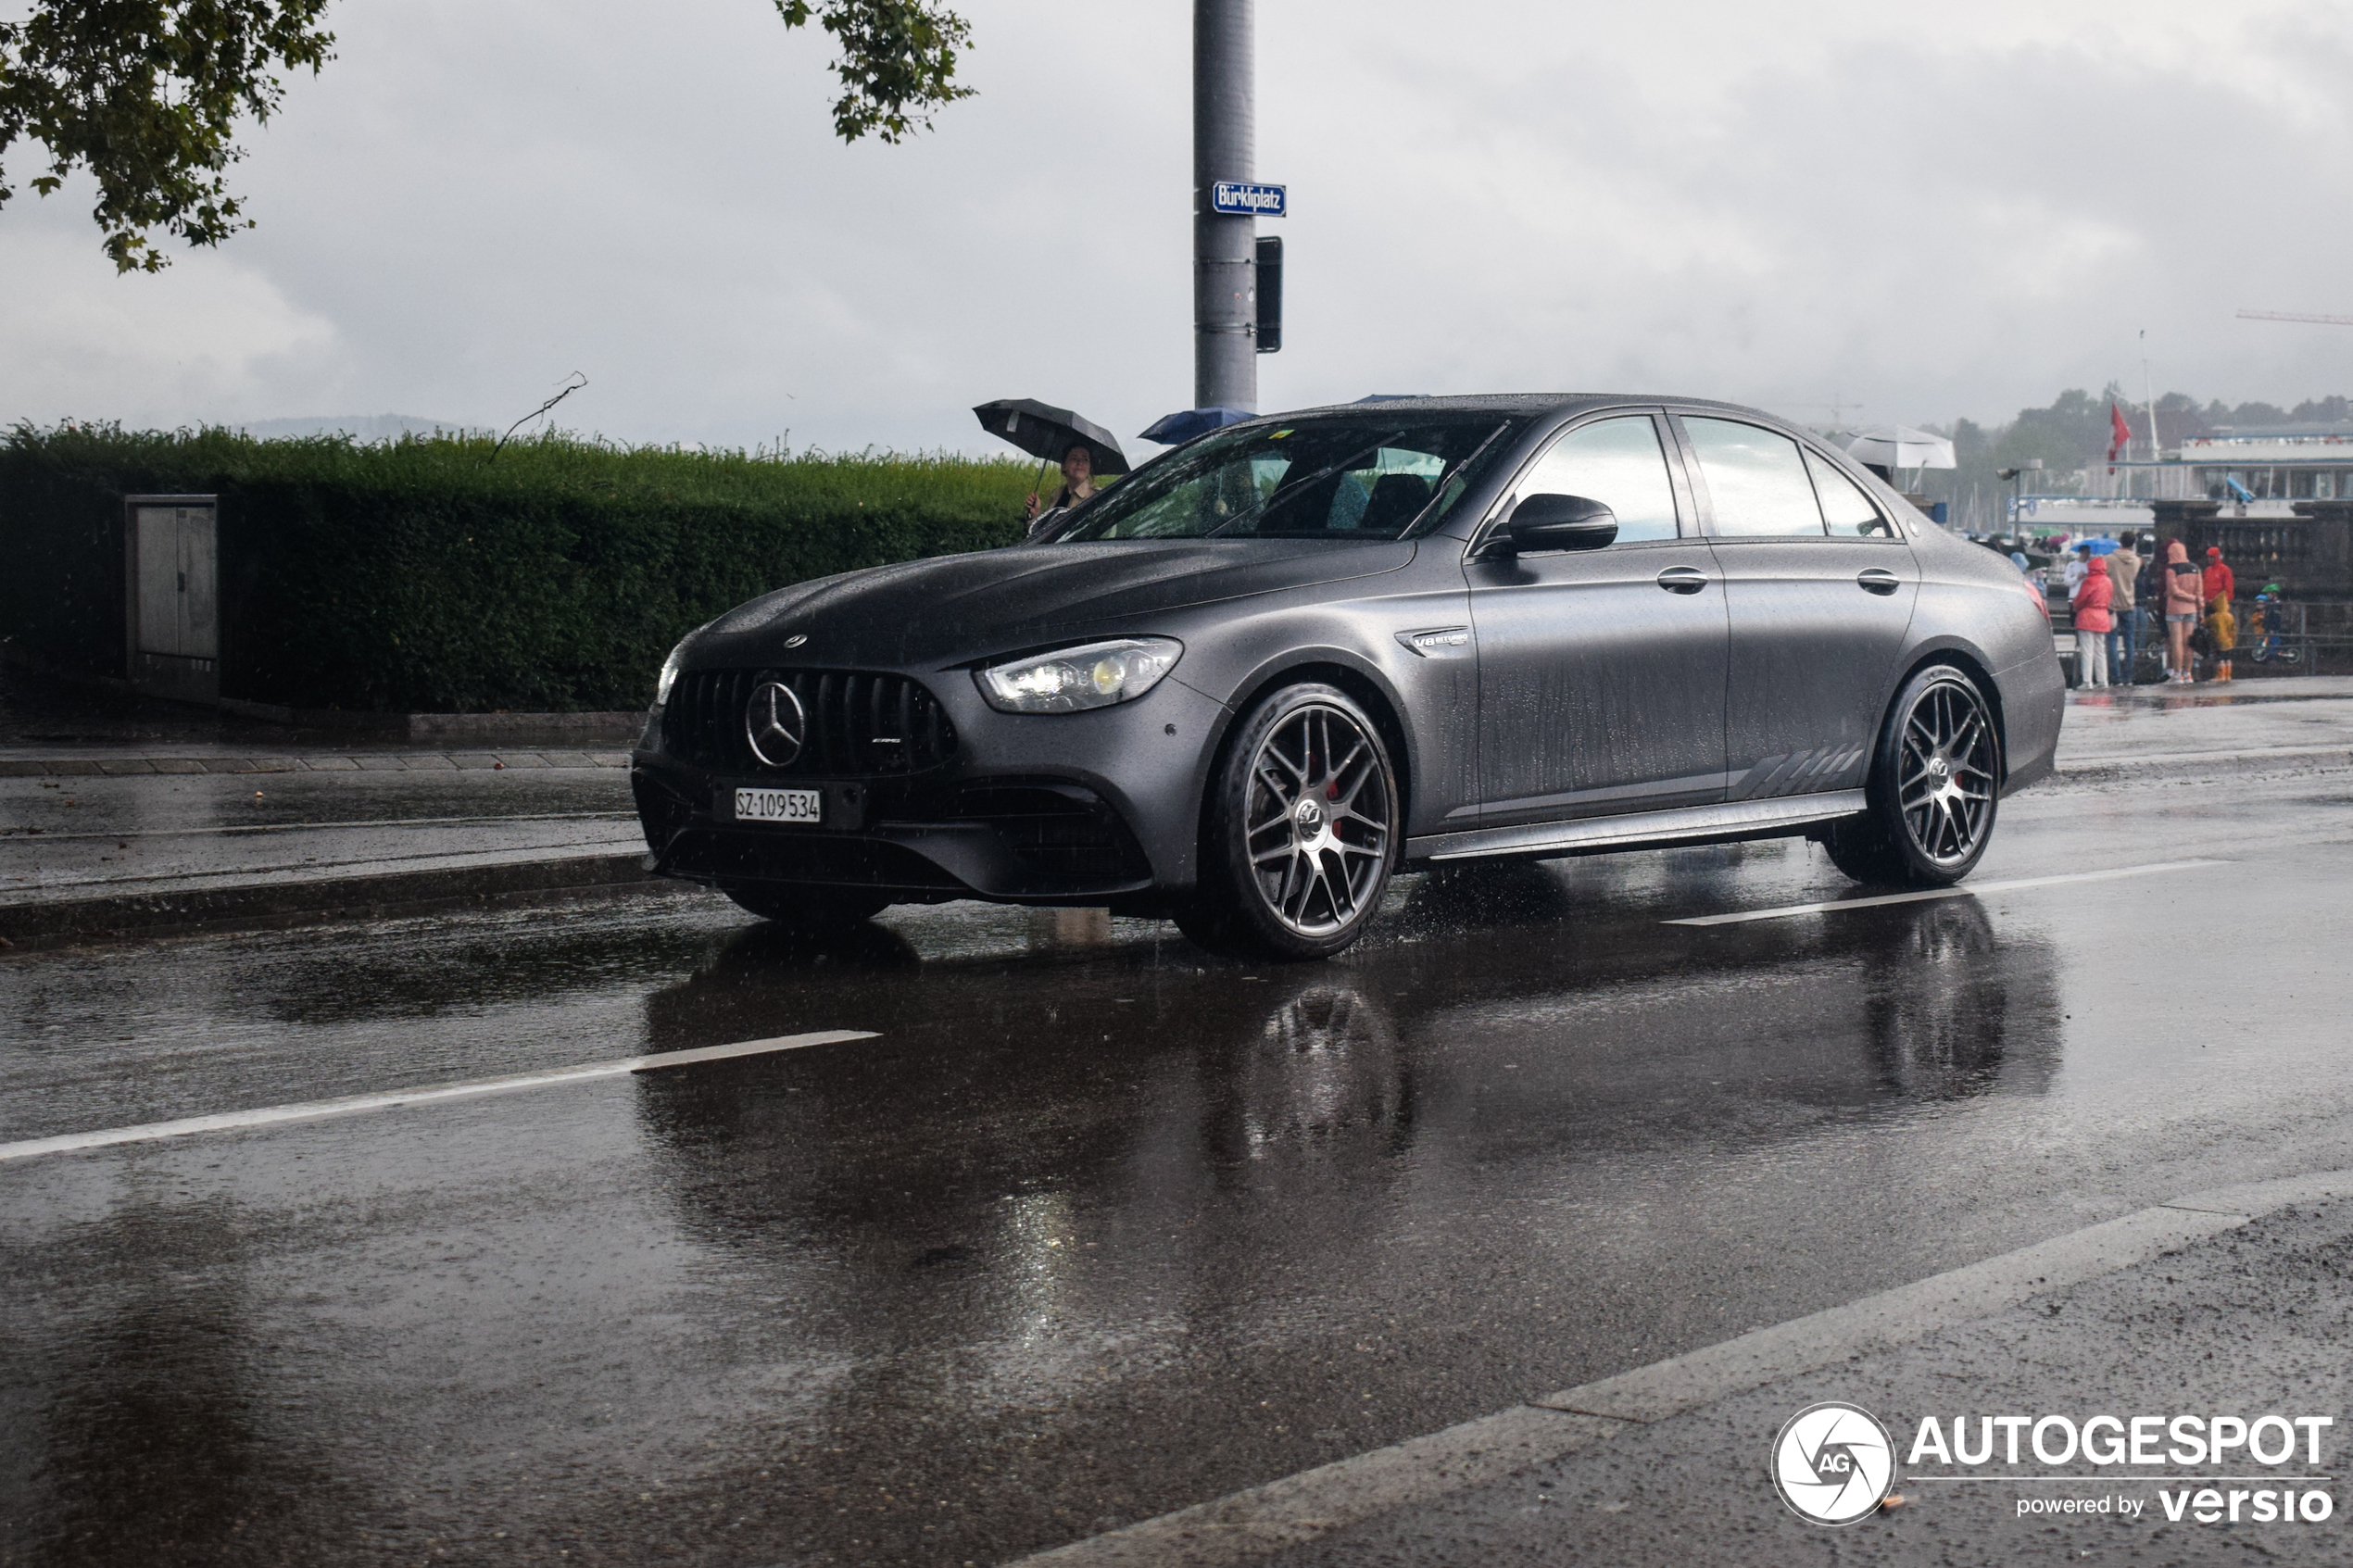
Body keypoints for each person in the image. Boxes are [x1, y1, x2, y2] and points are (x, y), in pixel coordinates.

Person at [1026, 443, 1099, 531]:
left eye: (1085, 460)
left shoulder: (1097, 497)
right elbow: (1043, 533)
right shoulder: (1056, 494)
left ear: (1090, 468)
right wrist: (1035, 515)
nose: (1080, 463)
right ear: (1064, 466)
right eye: (1074, 459)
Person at [2159, 539, 2203, 682]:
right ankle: (2188, 673)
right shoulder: (2195, 568)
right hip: (2192, 610)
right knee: (2188, 642)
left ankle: (2177, 674)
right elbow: (2199, 592)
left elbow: (2174, 591)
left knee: (2176, 642)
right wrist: (2199, 607)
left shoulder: (2171, 570)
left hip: (2175, 609)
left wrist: (2188, 597)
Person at [2070, 555, 2113, 687]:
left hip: (2087, 617)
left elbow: (2080, 600)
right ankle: (2103, 680)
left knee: (2087, 651)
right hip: (2103, 616)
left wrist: (2075, 606)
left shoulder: (2089, 581)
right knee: (2100, 650)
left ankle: (2087, 681)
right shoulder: (2108, 581)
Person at [2107, 533, 2141, 684]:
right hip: (2129, 603)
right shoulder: (2137, 561)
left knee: (2112, 642)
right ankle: (2129, 677)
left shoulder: (2109, 560)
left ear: (2120, 541)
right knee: (2129, 642)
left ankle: (2115, 677)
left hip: (2112, 605)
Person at [2202, 545, 2236, 682]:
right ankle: (2223, 671)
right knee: (2216, 639)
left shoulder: (2224, 570)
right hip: (2210, 607)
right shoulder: (2208, 571)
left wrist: (2220, 602)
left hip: (2220, 608)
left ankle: (2224, 672)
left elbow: (2228, 590)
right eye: (2208, 557)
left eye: (2212, 557)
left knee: (2221, 639)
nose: (2210, 559)